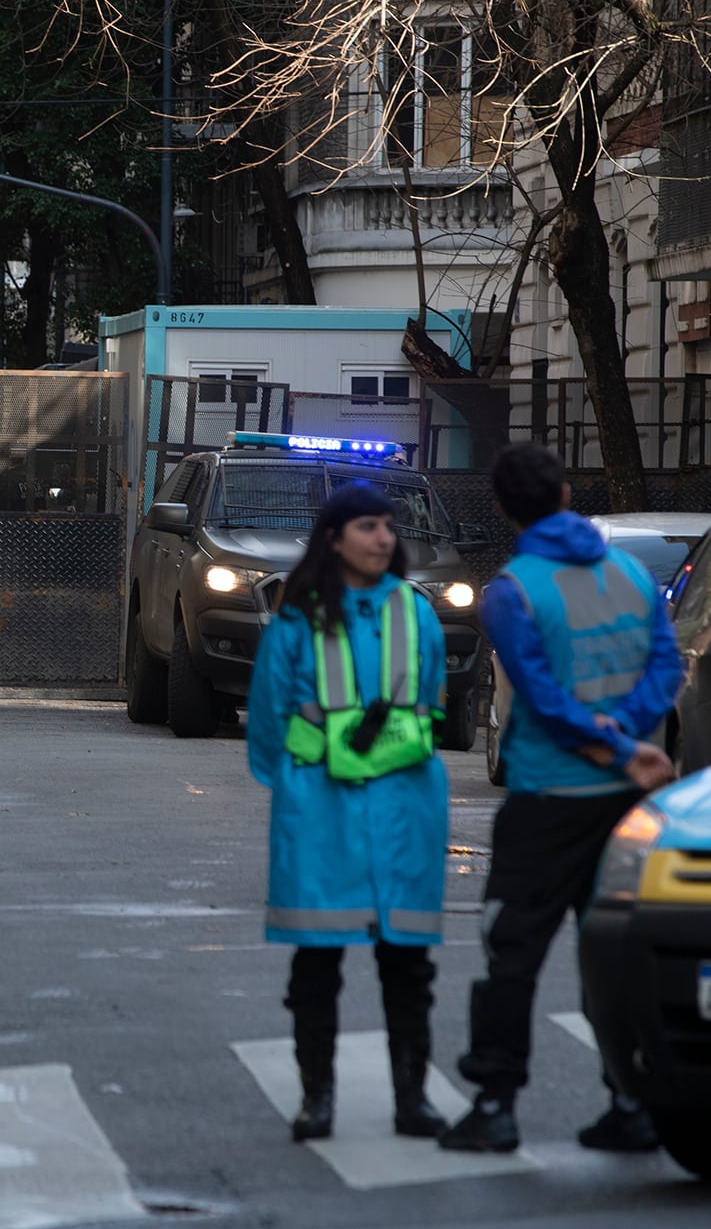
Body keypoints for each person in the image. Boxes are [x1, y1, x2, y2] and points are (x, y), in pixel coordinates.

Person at [438, 445, 681, 1154]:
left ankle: (494, 1101)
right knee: (612, 951)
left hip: (546, 797)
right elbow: (665, 661)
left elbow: (540, 696)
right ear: (568, 492)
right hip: (624, 802)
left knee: (511, 951)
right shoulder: (629, 572)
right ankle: (630, 1100)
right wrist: (630, 735)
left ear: (501, 507)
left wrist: (600, 737)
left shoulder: (511, 590)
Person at [246, 483, 451, 1143]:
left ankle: (411, 1100)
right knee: (316, 962)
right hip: (320, 807)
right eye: (367, 526)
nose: (382, 537)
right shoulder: (295, 616)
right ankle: (316, 1100)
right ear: (333, 538)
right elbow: (269, 718)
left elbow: (434, 698)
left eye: (388, 526)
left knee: (408, 963)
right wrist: (297, 783)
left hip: (403, 807)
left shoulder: (415, 611)